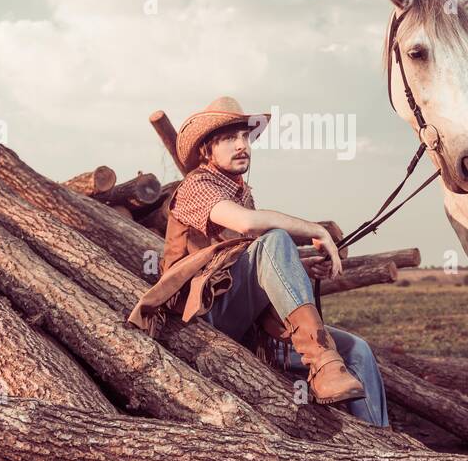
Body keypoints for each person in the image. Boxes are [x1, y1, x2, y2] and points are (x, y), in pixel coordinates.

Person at [127, 96, 388, 426]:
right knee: (275, 239)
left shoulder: (242, 193)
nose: (241, 145)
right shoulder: (197, 185)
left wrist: (301, 268)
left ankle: (382, 444)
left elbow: (250, 263)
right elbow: (248, 226)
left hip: (245, 322)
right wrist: (314, 229)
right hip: (200, 317)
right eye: (228, 138)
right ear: (207, 150)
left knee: (358, 350)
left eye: (245, 137)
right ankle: (322, 361)